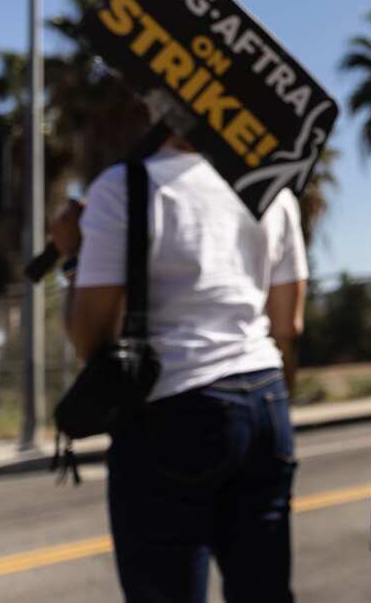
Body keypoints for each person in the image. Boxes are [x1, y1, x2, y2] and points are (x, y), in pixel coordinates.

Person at [50, 130, 308, 603]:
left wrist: (72, 258)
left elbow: (91, 339)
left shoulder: (125, 186)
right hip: (266, 399)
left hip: (172, 406)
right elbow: (288, 324)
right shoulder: (274, 188)